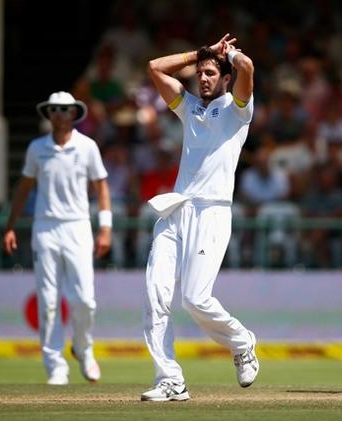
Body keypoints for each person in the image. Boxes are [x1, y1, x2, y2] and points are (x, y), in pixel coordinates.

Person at [140, 34, 258, 402]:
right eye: (199, 74)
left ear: (225, 78)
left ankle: (241, 342)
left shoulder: (239, 109)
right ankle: (170, 380)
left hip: (212, 212)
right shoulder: (188, 107)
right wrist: (199, 54)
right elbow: (155, 68)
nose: (203, 78)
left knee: (194, 300)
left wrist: (229, 55)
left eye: (210, 73)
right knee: (156, 294)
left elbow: (248, 68)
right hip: (176, 209)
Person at [2, 91, 112, 385]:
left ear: (74, 113)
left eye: (65, 109)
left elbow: (101, 187)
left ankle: (83, 349)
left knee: (85, 300)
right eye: (55, 109)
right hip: (45, 228)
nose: (60, 114)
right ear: (48, 113)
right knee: (48, 300)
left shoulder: (87, 147)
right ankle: (55, 365)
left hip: (78, 226)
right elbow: (24, 187)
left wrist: (105, 228)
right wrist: (10, 226)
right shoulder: (37, 148)